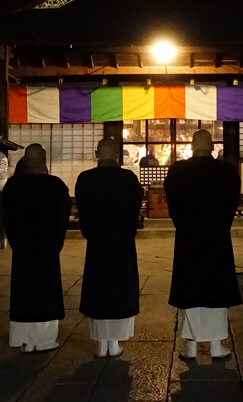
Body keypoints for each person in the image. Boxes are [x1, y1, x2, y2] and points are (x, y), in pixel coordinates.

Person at [164, 129, 241, 360]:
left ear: (191, 146)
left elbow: (173, 205)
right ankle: (217, 345)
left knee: (190, 291)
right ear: (212, 147)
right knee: (216, 291)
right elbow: (231, 204)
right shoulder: (226, 171)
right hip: (217, 237)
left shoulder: (178, 172)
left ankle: (190, 346)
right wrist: (220, 225)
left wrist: (184, 225)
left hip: (188, 238)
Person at [75, 138, 143, 358]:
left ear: (97, 153)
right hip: (122, 245)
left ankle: (101, 344)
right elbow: (134, 212)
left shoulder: (85, 180)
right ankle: (114, 343)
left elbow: (83, 214)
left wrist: (91, 233)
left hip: (97, 245)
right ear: (118, 155)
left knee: (98, 291)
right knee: (120, 291)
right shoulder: (128, 179)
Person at [2, 143, 72, 353]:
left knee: (23, 291)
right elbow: (63, 219)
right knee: (46, 292)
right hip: (47, 248)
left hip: (22, 248)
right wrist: (56, 243)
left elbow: (8, 220)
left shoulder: (13, 186)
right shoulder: (56, 186)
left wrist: (17, 242)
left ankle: (24, 339)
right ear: (44, 160)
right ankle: (44, 339)